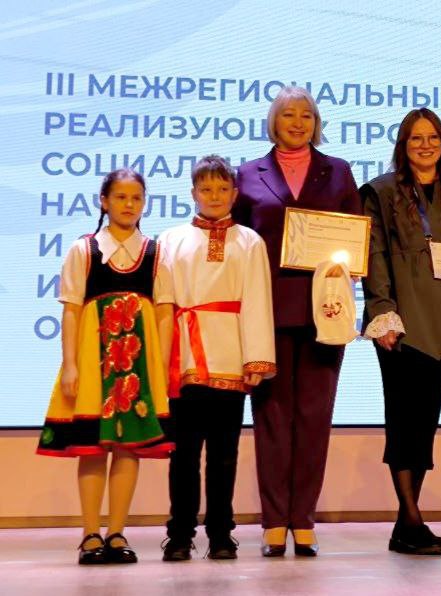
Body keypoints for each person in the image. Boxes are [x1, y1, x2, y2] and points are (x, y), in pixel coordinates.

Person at [233, 86, 362, 557]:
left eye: (306, 115)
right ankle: (274, 521)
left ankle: (303, 520)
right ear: (274, 121)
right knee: (271, 419)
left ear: (316, 122)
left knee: (314, 418)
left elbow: (357, 239)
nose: (297, 122)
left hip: (324, 312)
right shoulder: (247, 173)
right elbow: (237, 242)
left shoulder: (338, 171)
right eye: (288, 114)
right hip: (267, 311)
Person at [36, 169, 174, 564]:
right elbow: (71, 311)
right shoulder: (84, 250)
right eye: (120, 197)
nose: (129, 204)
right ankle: (90, 534)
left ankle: (116, 532)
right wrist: (70, 365)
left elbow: (164, 312)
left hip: (137, 367)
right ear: (104, 201)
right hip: (95, 363)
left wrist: (160, 369)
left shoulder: (156, 252)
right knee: (93, 448)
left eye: (136, 198)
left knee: (128, 449)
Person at [361, 108, 441, 555]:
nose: (425, 145)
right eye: (416, 138)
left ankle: (406, 522)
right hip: (402, 322)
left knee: (425, 423)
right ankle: (411, 519)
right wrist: (382, 310)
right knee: (403, 419)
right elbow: (373, 254)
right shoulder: (380, 192)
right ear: (403, 146)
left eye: (433, 138)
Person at [159, 155, 276, 561]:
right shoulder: (170, 239)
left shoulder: (249, 241)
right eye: (206, 189)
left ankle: (222, 533)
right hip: (186, 359)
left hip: (230, 357)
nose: (214, 196)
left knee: (225, 455)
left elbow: (257, 300)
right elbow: (164, 304)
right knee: (183, 454)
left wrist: (256, 359)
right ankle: (179, 534)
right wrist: (162, 360)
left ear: (235, 193)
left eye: (222, 189)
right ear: (192, 193)